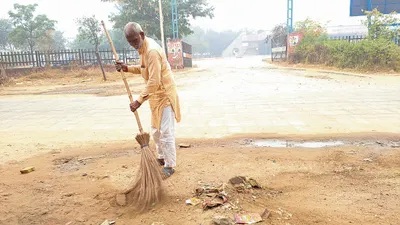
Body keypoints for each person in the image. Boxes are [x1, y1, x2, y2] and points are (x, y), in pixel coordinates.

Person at [115, 22, 181, 178]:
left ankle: (170, 165)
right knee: (156, 132)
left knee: (166, 132)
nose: (132, 44)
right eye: (129, 41)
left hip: (164, 95)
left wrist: (138, 101)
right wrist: (126, 68)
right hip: (154, 97)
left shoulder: (151, 51)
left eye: (134, 40)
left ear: (142, 35)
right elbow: (144, 69)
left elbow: (154, 81)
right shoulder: (142, 49)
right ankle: (162, 157)